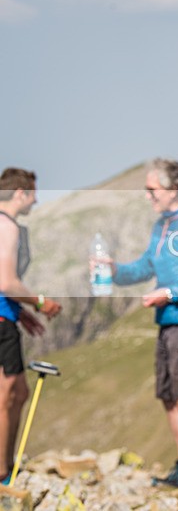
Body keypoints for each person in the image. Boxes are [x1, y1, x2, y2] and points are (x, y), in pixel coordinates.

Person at [101, 159, 178, 489]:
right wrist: (115, 270)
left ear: (172, 189)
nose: (147, 196)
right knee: (169, 395)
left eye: (151, 189)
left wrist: (169, 293)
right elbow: (144, 267)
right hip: (167, 321)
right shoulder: (162, 225)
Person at [0, 168, 62, 484]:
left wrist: (19, 311)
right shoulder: (7, 226)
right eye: (33, 194)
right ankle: (2, 471)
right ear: (21, 193)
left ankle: (6, 466)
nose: (36, 201)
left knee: (18, 391)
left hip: (5, 314)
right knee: (10, 392)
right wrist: (40, 302)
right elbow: (7, 281)